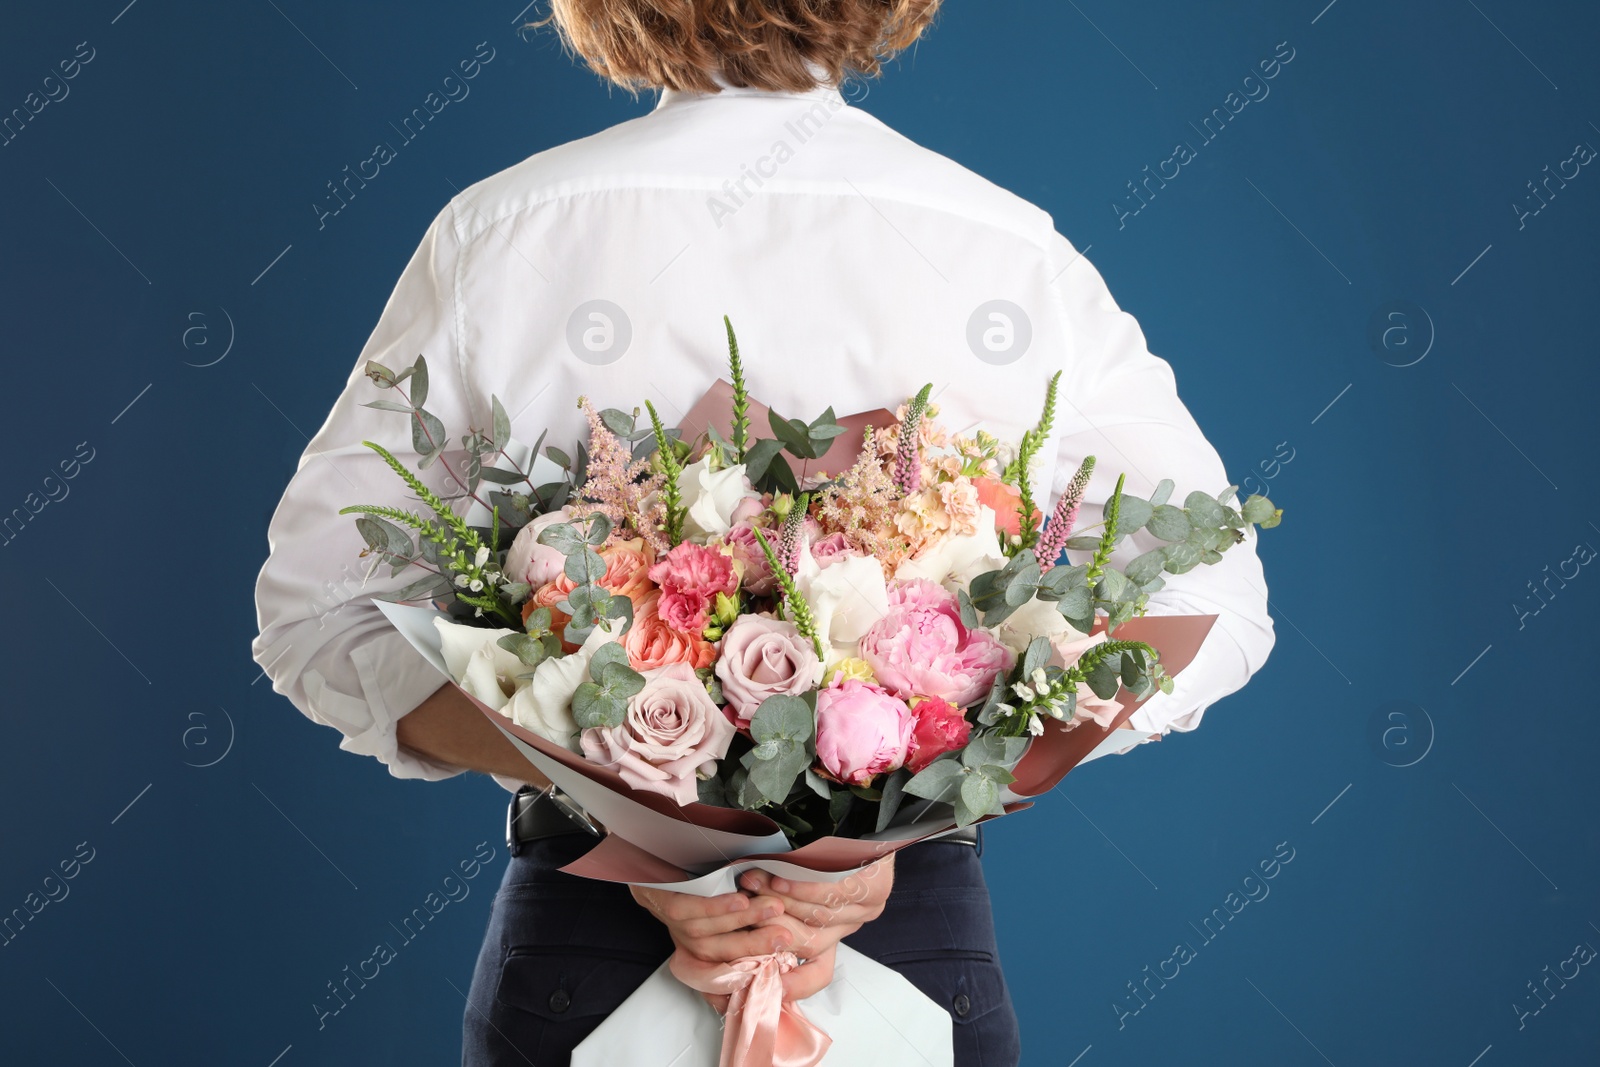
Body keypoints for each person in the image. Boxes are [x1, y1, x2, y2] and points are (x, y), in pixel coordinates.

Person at [250, 1, 1275, 1063]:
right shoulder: (1004, 247)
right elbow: (1216, 603)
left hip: (585, 955)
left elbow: (314, 618)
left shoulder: (504, 231)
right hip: (907, 951)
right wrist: (922, 795)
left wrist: (611, 796)